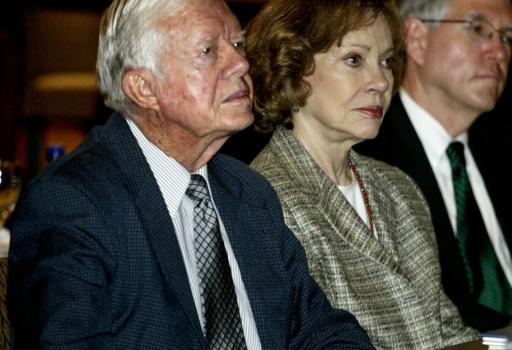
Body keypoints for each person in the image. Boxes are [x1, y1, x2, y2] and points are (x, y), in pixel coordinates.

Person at [6, 0, 375, 348]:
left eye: (237, 43)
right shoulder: (73, 204)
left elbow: (319, 331)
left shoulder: (248, 193)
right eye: (209, 51)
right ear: (144, 88)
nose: (241, 64)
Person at [246, 0, 478, 348]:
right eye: (354, 60)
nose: (381, 82)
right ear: (291, 68)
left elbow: (448, 332)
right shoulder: (264, 201)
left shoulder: (398, 189)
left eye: (386, 62)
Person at [355, 0, 512, 331]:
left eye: (507, 38)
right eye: (478, 30)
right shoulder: (366, 159)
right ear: (417, 39)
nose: (498, 52)